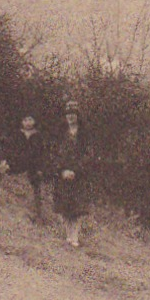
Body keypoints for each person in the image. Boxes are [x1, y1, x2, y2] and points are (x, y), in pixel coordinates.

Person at [0, 114, 48, 225]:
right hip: (18, 161)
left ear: (34, 121)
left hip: (32, 164)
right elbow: (9, 148)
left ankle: (39, 214)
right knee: (4, 170)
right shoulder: (17, 134)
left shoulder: (38, 136)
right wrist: (4, 160)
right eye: (25, 120)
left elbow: (41, 154)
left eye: (30, 119)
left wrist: (40, 168)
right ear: (22, 122)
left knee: (36, 184)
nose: (28, 122)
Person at [52, 100, 90, 247]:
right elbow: (54, 152)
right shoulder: (60, 132)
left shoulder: (85, 133)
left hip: (79, 176)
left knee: (77, 208)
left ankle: (75, 237)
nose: (70, 117)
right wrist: (61, 170)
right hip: (63, 174)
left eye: (73, 114)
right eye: (68, 114)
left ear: (78, 116)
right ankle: (68, 235)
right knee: (64, 206)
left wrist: (76, 170)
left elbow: (88, 155)